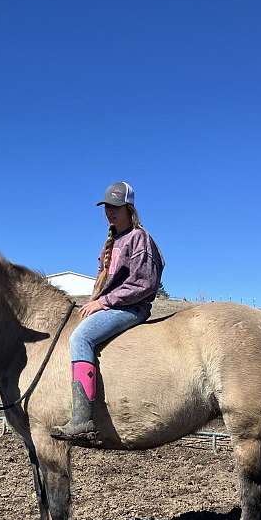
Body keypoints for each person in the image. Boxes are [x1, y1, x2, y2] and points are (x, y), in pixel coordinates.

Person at [51, 181, 164, 442]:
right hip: (115, 305)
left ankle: (82, 419)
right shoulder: (112, 242)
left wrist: (103, 303)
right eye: (107, 207)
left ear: (129, 209)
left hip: (131, 307)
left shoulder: (139, 238)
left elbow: (144, 283)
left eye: (116, 207)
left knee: (81, 337)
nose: (110, 212)